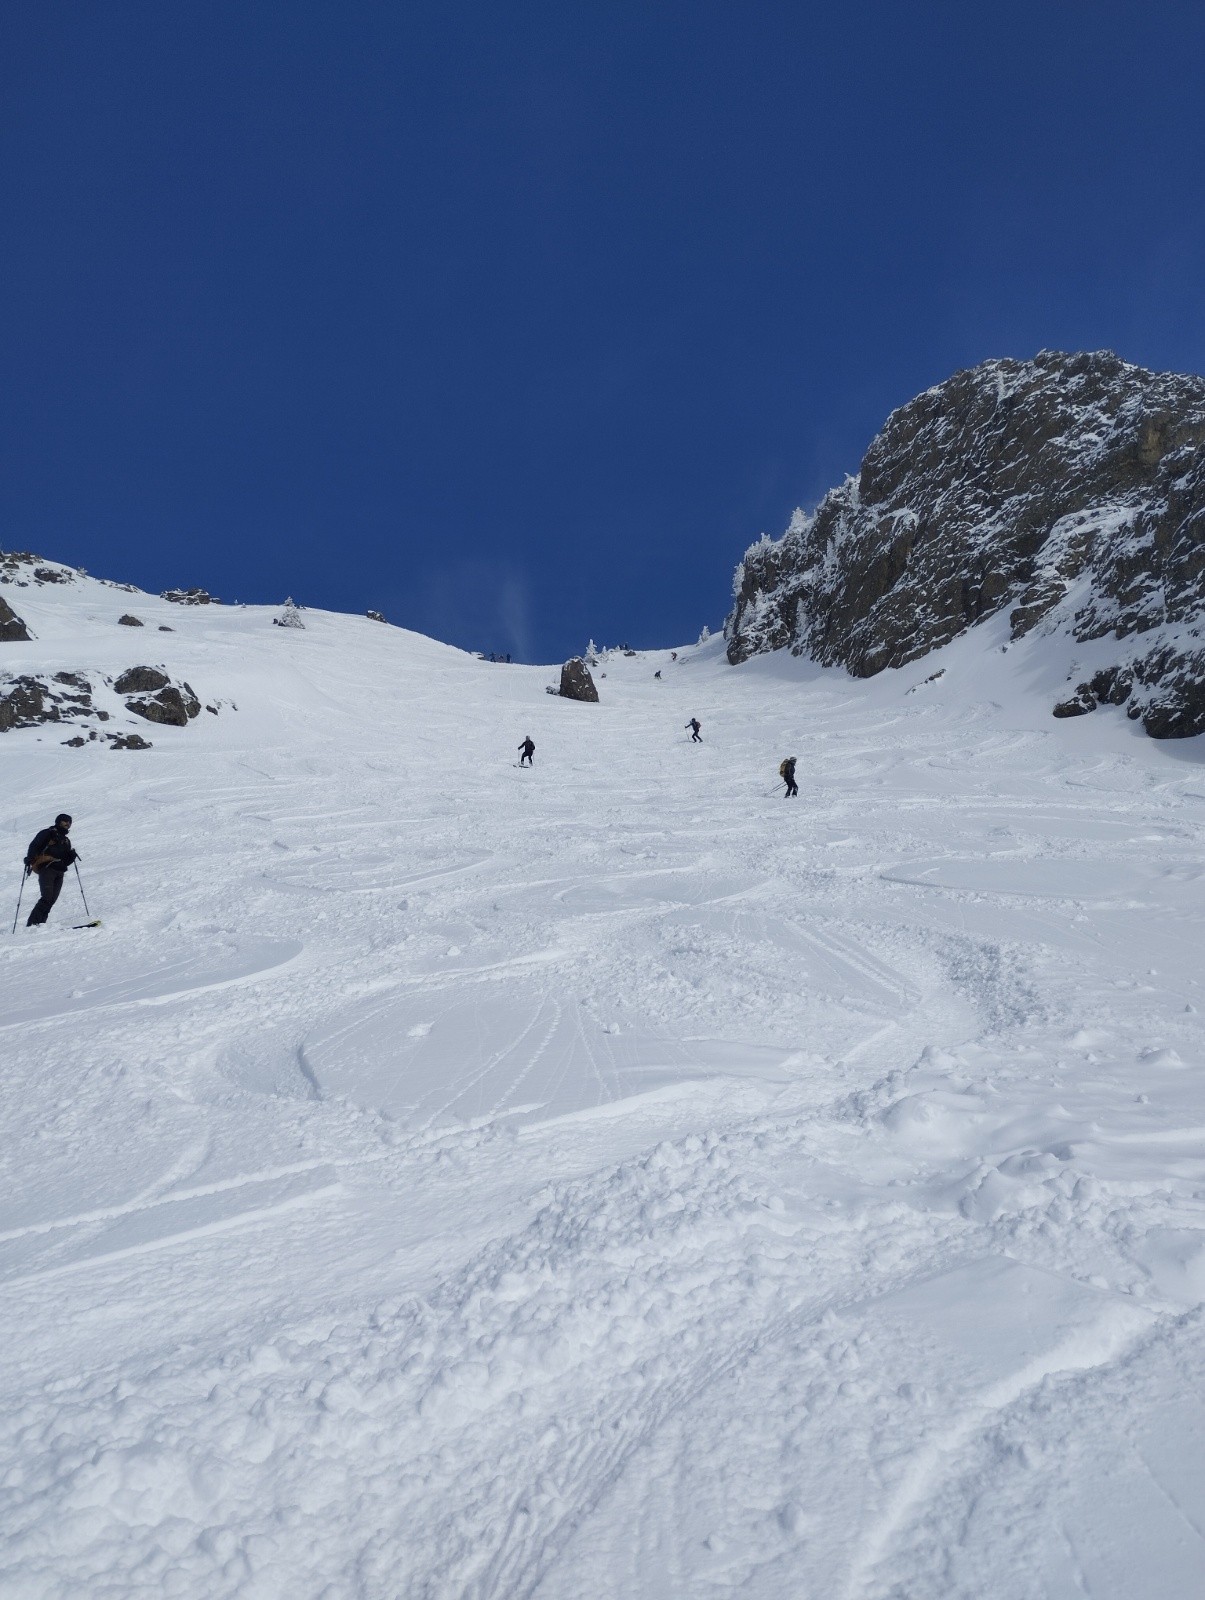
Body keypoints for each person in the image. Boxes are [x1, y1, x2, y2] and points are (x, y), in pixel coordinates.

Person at [24, 813, 77, 926]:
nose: (67, 823)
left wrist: (71, 857)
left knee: (51, 900)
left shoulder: (66, 841)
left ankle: (40, 924)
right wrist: (30, 858)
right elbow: (34, 845)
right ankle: (32, 924)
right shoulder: (48, 833)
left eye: (69, 822)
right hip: (47, 868)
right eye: (65, 820)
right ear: (58, 821)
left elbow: (65, 861)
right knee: (47, 898)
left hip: (60, 871)